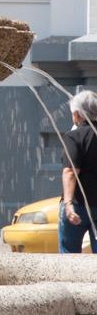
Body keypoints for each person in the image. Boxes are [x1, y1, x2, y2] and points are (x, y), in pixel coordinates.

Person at [58, 90, 97, 253]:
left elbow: (70, 171)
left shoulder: (74, 137)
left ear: (78, 115)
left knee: (69, 255)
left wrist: (68, 204)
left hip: (77, 205)